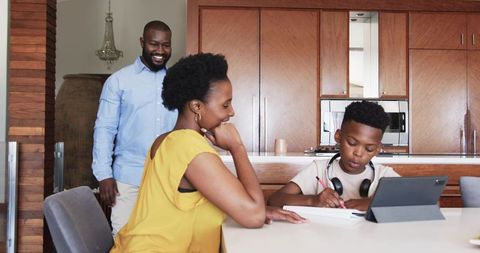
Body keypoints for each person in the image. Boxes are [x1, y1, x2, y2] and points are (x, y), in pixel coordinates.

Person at [110, 53, 305, 252]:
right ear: (196, 106)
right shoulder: (188, 145)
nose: (231, 112)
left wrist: (257, 210)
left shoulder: (166, 140)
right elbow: (253, 216)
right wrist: (237, 148)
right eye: (225, 105)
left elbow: (197, 206)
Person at [91, 20, 178, 236]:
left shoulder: (177, 82)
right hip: (127, 180)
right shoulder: (119, 81)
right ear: (142, 42)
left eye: (165, 45)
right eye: (154, 44)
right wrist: (104, 175)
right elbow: (105, 129)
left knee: (163, 242)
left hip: (168, 179)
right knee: (124, 240)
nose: (160, 51)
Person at [268, 100, 400, 211]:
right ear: (338, 136)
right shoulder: (319, 169)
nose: (358, 153)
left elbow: (417, 202)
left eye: (369, 149)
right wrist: (313, 200)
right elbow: (274, 200)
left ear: (378, 149)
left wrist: (372, 203)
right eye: (352, 143)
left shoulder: (385, 175)